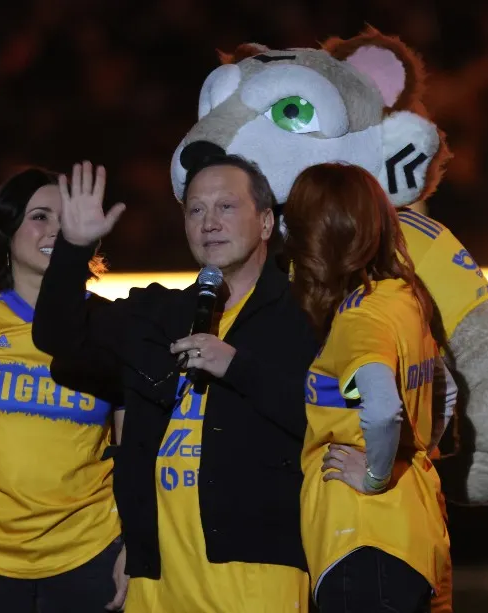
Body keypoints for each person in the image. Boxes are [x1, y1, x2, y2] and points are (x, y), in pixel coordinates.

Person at [32, 158, 320, 612]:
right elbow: (58, 337)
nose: (210, 223)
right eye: (195, 210)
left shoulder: (305, 315)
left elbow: (329, 418)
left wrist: (237, 368)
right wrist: (74, 249)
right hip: (159, 574)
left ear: (266, 222)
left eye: (226, 206)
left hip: (260, 571)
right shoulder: (159, 312)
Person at [0, 167, 126, 612]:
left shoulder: (109, 323)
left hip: (90, 551)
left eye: (64, 216)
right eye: (40, 216)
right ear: (6, 229)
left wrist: (135, 545)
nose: (56, 228)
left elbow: (133, 446)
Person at [284, 162, 451, 612]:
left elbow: (380, 407)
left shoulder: (357, 320)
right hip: (411, 534)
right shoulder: (404, 297)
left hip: (361, 542)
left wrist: (375, 476)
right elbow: (444, 391)